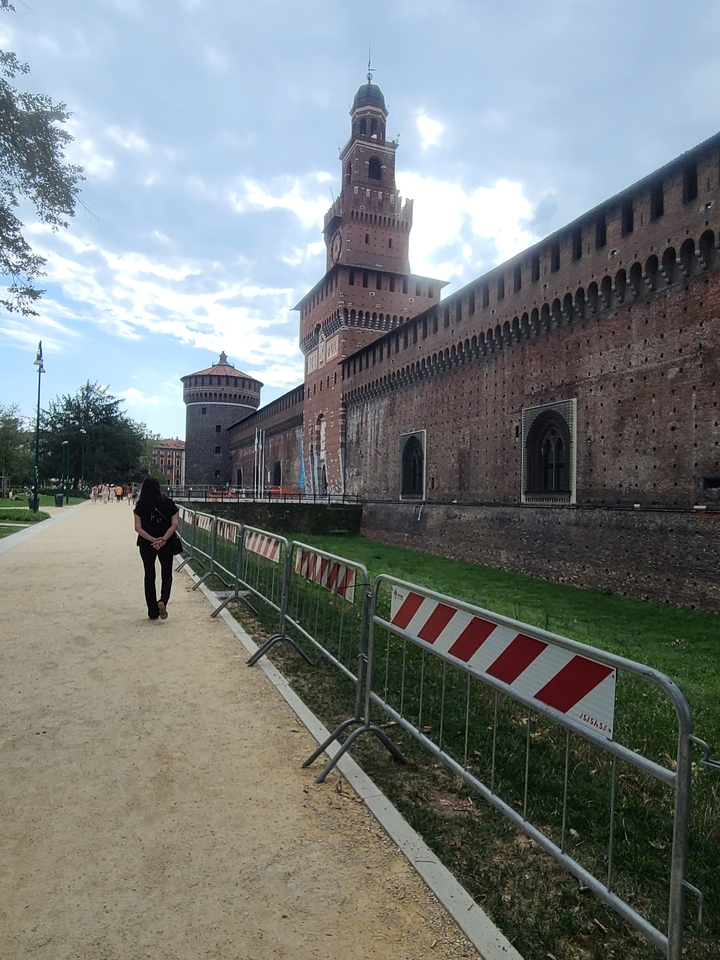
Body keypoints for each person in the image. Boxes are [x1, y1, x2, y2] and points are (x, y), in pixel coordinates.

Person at [133, 477, 179, 621]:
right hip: (167, 543)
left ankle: (152, 611)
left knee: (149, 574)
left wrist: (152, 540)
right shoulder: (169, 503)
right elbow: (175, 524)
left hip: (147, 543)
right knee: (167, 574)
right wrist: (163, 539)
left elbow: (138, 528)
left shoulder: (140, 505)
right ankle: (163, 600)